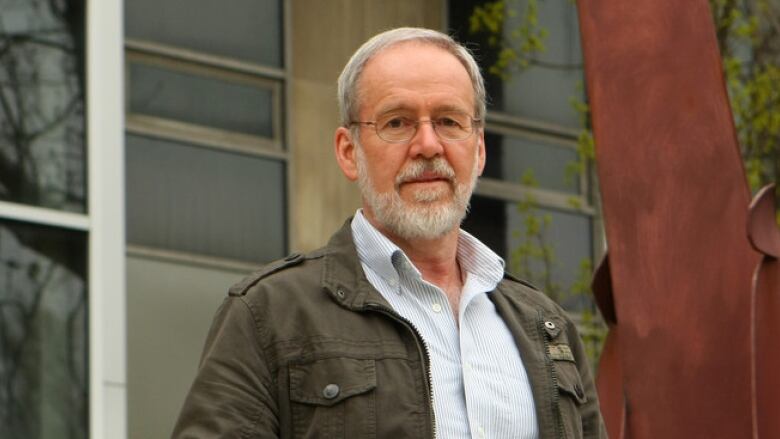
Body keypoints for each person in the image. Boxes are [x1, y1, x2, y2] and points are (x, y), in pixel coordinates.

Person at [173, 27, 606, 439]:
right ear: (349, 152)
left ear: (478, 151)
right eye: (397, 123)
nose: (428, 145)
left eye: (449, 121)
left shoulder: (548, 328)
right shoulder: (269, 313)